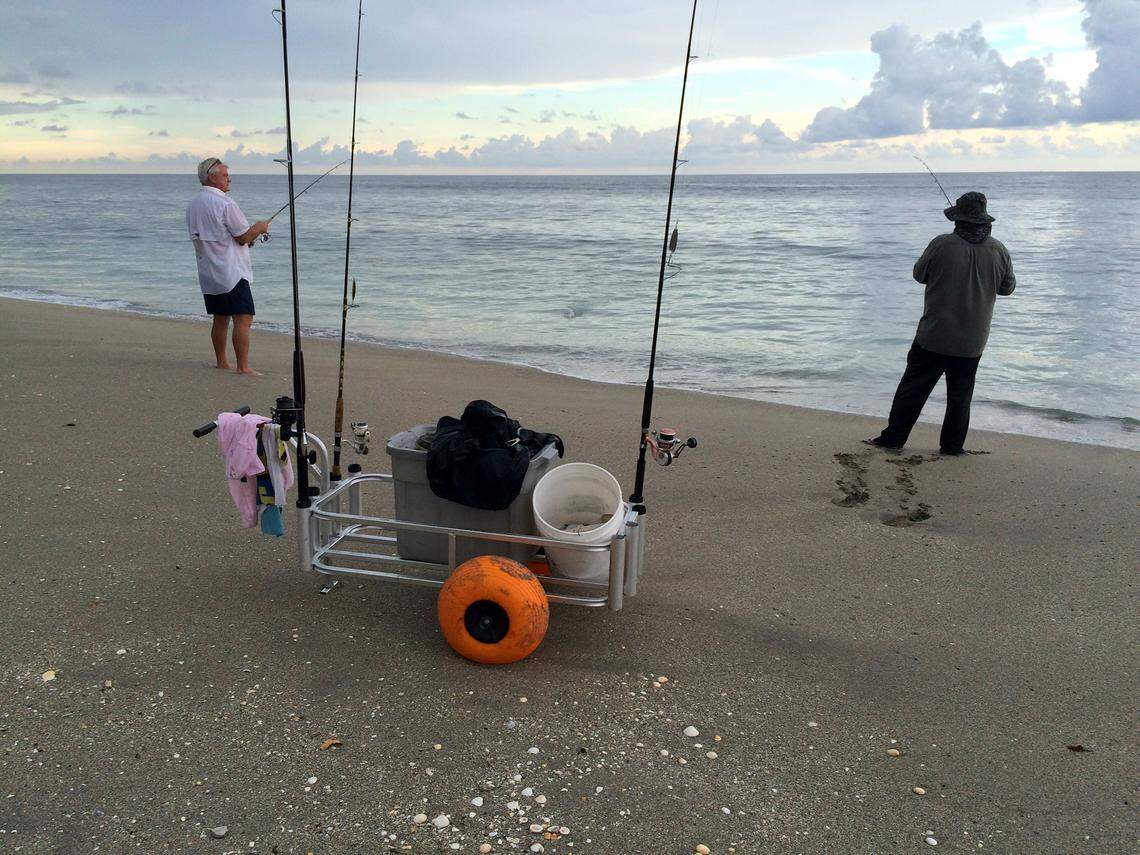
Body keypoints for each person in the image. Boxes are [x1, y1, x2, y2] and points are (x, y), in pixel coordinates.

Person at [866, 191, 1016, 455]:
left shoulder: (941, 244)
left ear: (957, 220)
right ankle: (952, 446)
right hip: (972, 340)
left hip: (933, 334)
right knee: (960, 396)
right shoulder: (999, 250)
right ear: (984, 221)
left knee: (912, 390)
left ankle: (893, 439)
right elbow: (1007, 288)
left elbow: (919, 275)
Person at [186, 158, 270, 374]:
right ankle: (243, 367)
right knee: (243, 317)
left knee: (220, 318)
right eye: (224, 175)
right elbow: (243, 236)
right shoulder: (226, 204)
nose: (229, 178)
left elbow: (222, 236)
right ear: (211, 177)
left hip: (209, 272)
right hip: (232, 272)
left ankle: (222, 362)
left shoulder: (194, 204)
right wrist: (259, 228)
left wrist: (246, 237)